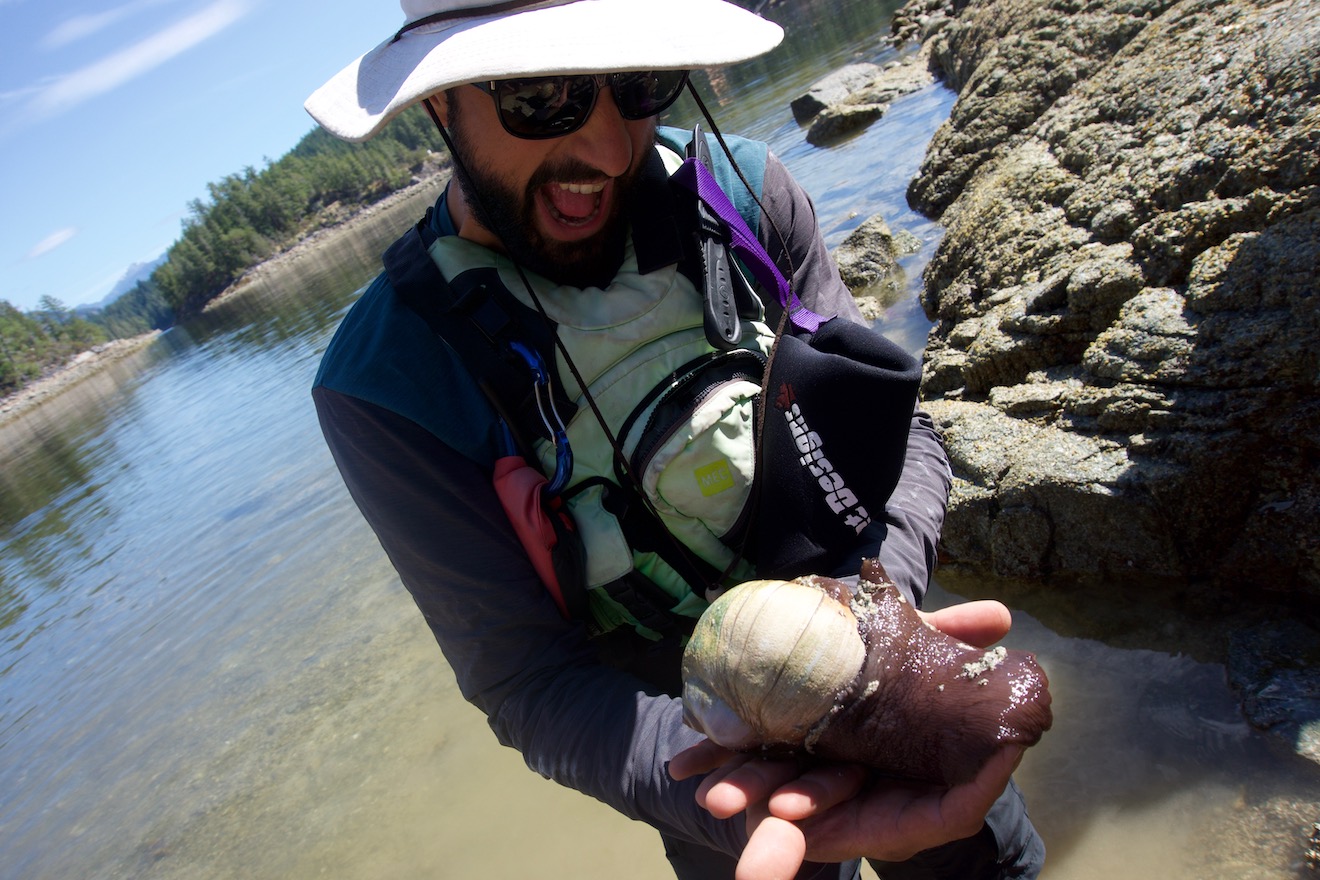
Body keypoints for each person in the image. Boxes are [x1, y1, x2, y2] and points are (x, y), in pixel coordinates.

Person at [305, 1, 1046, 878]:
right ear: (438, 105)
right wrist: (738, 798)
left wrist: (869, 626)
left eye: (641, 81)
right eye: (544, 96)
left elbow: (900, 434)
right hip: (699, 754)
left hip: (890, 646)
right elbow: (528, 682)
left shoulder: (746, 193)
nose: (614, 150)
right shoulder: (387, 382)